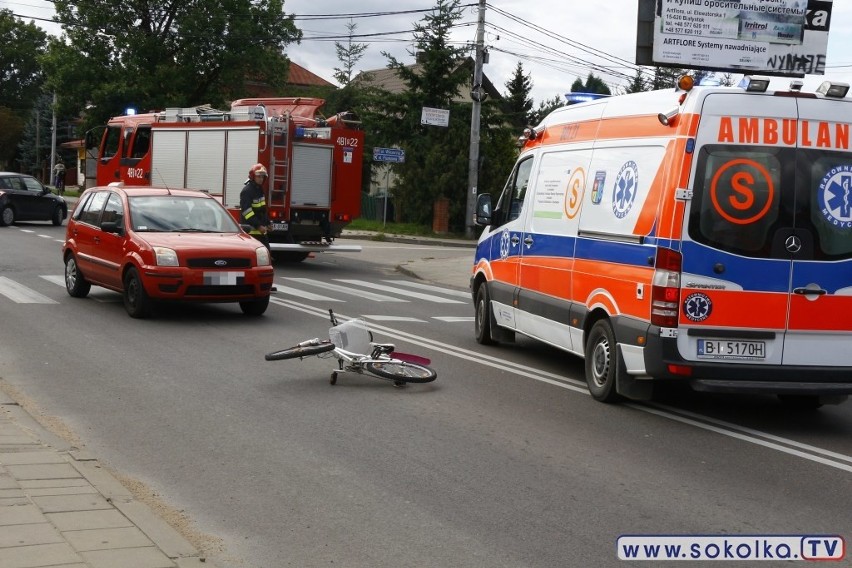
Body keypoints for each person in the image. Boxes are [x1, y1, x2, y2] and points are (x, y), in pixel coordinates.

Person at [239, 163, 270, 249]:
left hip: (260, 232)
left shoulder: (259, 189)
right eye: (259, 176)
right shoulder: (247, 191)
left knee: (266, 253)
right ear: (253, 176)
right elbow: (247, 212)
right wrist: (258, 226)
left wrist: (268, 223)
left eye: (262, 177)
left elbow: (262, 210)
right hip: (250, 232)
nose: (261, 179)